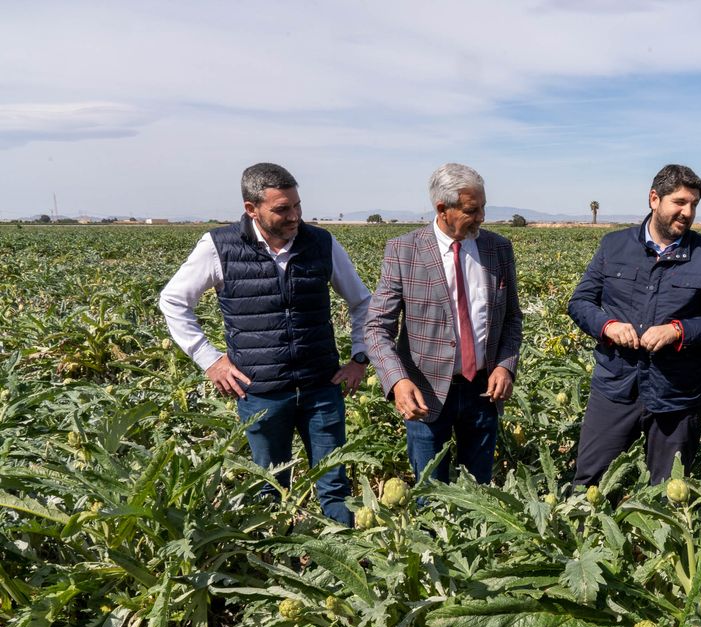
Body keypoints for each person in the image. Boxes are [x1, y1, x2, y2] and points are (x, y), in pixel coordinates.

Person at [159, 162, 371, 526]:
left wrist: (360, 357)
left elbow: (363, 302)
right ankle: (277, 558)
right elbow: (174, 301)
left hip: (322, 387)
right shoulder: (219, 247)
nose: (295, 217)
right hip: (261, 393)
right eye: (282, 209)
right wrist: (210, 360)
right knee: (269, 487)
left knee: (334, 483)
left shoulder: (321, 243)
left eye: (297, 205)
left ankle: (347, 560)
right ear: (251, 208)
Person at [568, 164, 701, 485]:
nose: (688, 212)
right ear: (654, 199)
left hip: (677, 393)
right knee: (591, 480)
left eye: (694, 204)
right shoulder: (613, 245)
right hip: (617, 386)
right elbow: (580, 303)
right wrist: (608, 326)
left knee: (668, 490)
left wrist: (679, 331)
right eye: (680, 202)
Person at [365, 163, 522, 484]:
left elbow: (511, 318)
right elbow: (377, 327)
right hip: (425, 392)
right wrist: (396, 381)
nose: (481, 217)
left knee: (478, 493)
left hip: (483, 391)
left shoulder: (498, 248)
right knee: (428, 492)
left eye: (483, 208)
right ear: (442, 209)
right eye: (471, 210)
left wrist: (505, 366)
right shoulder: (404, 250)